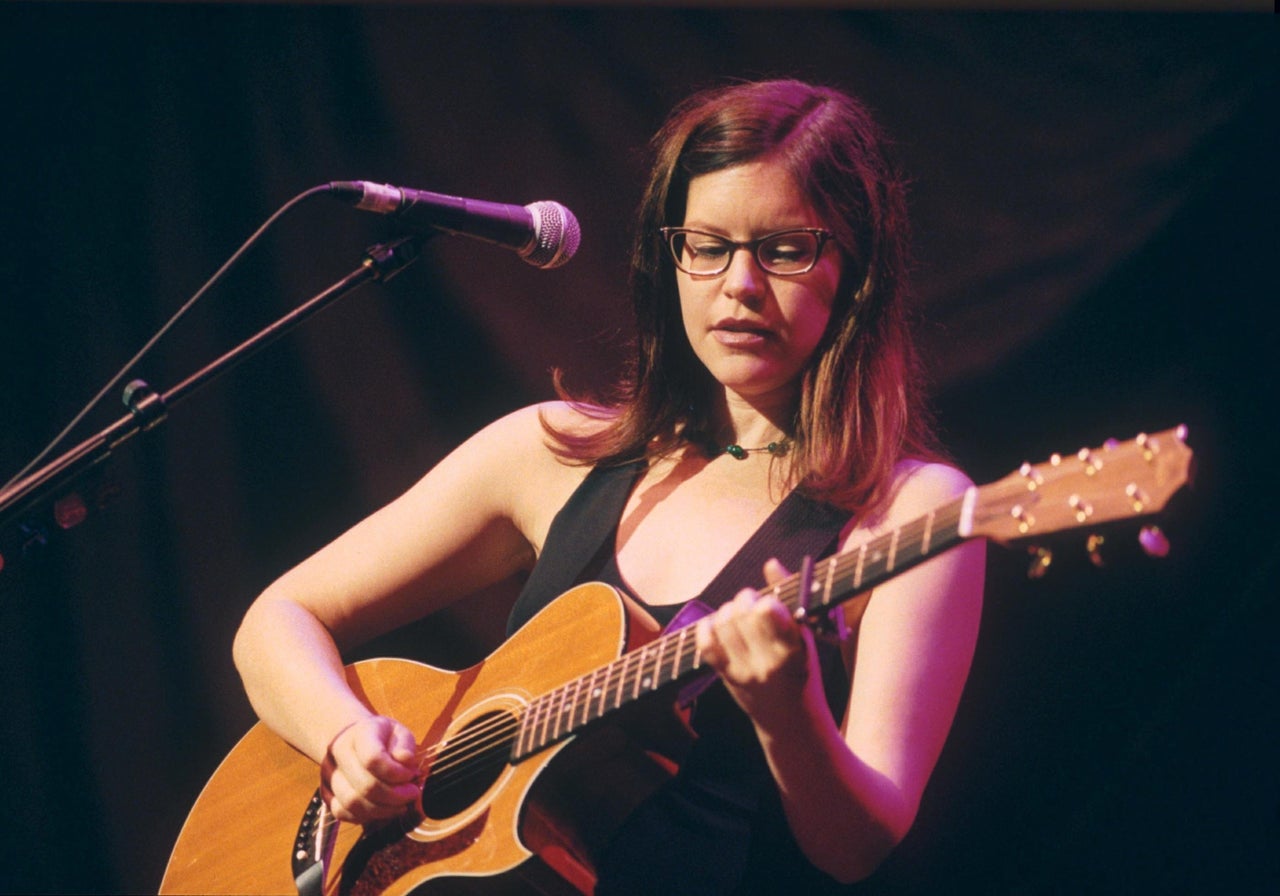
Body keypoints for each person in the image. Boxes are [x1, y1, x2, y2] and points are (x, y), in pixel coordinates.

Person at [233, 79, 985, 893]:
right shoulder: (552, 453)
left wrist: (789, 713)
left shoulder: (913, 511)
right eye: (706, 245)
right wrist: (345, 738)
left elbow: (859, 848)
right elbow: (277, 619)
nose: (739, 284)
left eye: (784, 249)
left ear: (858, 269)